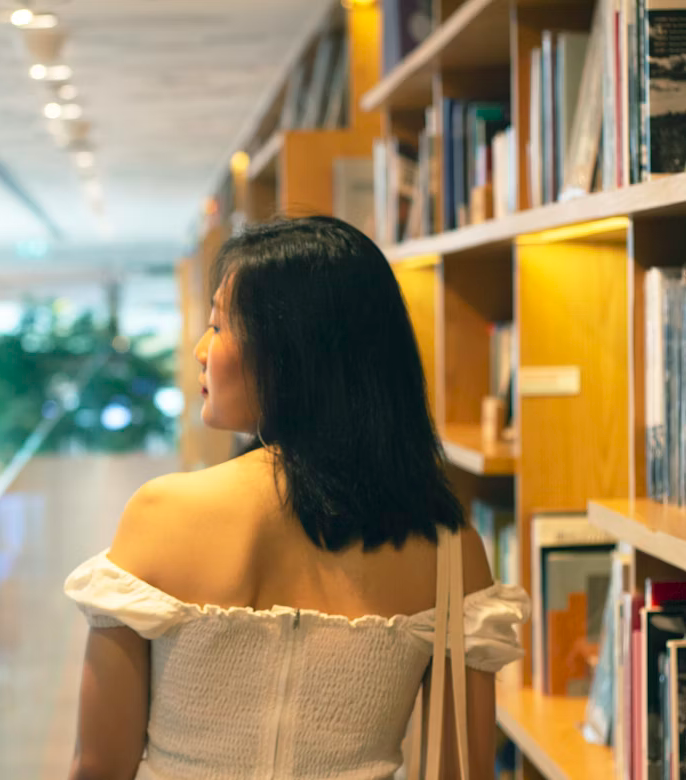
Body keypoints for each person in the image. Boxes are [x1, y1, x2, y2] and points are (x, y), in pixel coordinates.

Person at [64, 217, 529, 780]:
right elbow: (462, 772)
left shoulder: (161, 513)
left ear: (288, 350)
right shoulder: (450, 549)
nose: (200, 349)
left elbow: (97, 766)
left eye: (218, 325)